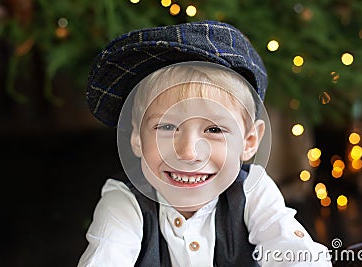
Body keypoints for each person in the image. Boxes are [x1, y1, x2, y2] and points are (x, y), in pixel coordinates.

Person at [78, 21, 331, 266]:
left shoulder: (253, 192)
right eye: (166, 127)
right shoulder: (125, 201)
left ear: (249, 141)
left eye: (213, 129)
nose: (188, 153)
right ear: (137, 138)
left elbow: (294, 252)